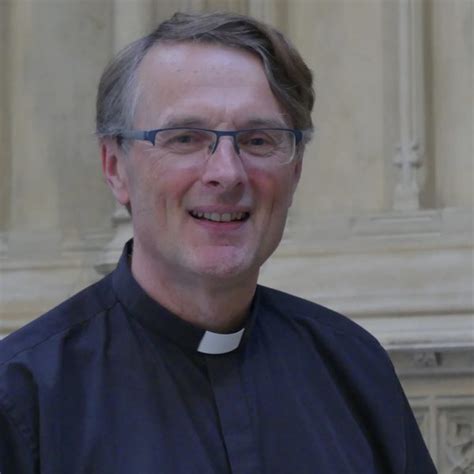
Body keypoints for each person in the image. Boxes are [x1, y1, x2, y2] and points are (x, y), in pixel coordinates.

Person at [0, 11, 437, 474]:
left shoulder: (354, 367)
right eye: (185, 138)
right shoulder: (22, 397)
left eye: (258, 140)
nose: (226, 173)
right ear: (114, 167)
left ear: (296, 169)